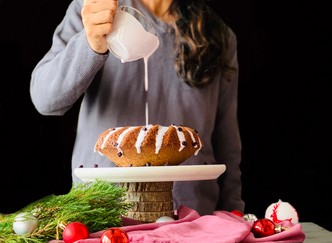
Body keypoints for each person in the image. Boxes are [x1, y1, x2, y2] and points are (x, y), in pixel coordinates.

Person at [30, 0, 245, 215]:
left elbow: (227, 142)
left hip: (193, 217)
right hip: (102, 213)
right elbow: (46, 99)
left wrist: (234, 214)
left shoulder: (218, 35)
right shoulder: (95, 9)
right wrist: (90, 44)